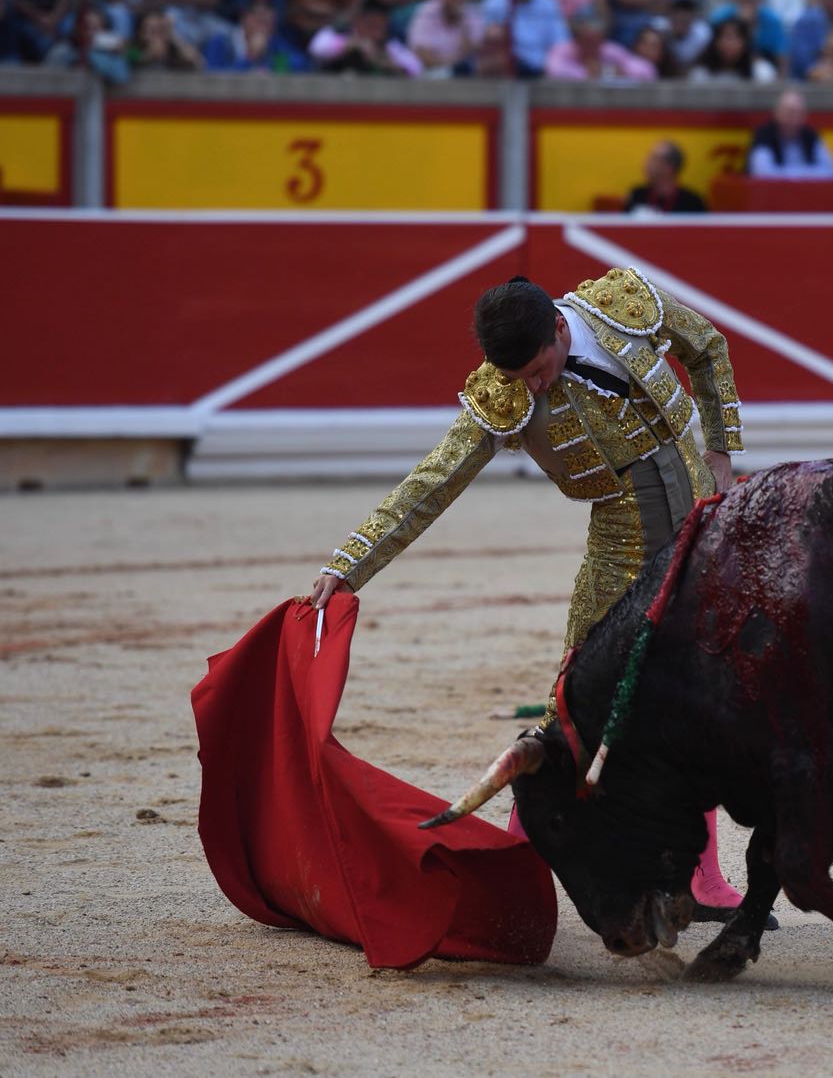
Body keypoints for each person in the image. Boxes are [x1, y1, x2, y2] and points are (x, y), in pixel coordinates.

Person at [308, 269, 751, 917]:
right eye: (519, 379)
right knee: (574, 702)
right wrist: (350, 565)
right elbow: (434, 480)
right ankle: (519, 860)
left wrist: (721, 449)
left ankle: (698, 879)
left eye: (540, 370)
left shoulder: (622, 304)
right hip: (622, 539)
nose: (533, 388)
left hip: (705, 521)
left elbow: (708, 347)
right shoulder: (503, 392)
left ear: (560, 328)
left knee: (703, 690)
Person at [746, 88, 833, 178]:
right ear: (777, 113)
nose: (795, 118)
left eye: (799, 113)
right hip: (772, 193)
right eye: (790, 112)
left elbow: (832, 172)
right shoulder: (764, 134)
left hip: (807, 194)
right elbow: (762, 173)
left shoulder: (811, 135)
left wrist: (791, 175)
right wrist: (806, 175)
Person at [309, 0, 422, 74]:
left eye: (380, 27)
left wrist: (388, 63)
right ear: (357, 22)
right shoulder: (338, 32)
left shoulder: (389, 46)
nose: (376, 32)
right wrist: (352, 45)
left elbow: (416, 68)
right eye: (371, 26)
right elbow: (316, 48)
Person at [480, 0, 569, 76]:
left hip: (542, 68)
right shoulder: (494, 3)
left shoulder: (548, 4)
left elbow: (561, 42)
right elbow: (483, 40)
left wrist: (552, 64)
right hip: (506, 67)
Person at [544, 8, 657, 77]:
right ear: (577, 40)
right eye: (587, 41)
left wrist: (613, 71)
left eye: (595, 41)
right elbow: (553, 71)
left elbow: (647, 70)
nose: (591, 46)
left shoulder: (610, 50)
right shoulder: (562, 50)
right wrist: (586, 73)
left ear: (601, 40)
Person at [203, 0, 310, 71]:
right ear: (245, 19)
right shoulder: (221, 42)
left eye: (269, 23)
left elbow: (302, 63)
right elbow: (213, 78)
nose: (264, 28)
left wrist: (272, 64)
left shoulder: (274, 42)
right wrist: (250, 58)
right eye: (260, 21)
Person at [405, 0, 485, 75]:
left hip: (464, 74)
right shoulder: (427, 12)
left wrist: (462, 24)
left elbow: (472, 54)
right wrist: (450, 65)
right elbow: (421, 53)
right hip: (429, 72)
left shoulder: (472, 13)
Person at [706, 0, 785, 70]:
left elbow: (782, 57)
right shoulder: (719, 18)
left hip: (756, 73)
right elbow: (709, 54)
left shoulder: (773, 20)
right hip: (719, 70)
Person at [624, 140, 708, 211]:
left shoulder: (692, 202)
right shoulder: (637, 196)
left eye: (653, 158)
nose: (646, 163)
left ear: (669, 167)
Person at [687, 14, 778, 79]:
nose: (731, 44)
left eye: (736, 38)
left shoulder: (762, 72)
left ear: (745, 43)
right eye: (727, 37)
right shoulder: (701, 74)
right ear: (716, 42)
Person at [656, 0, 710, 68]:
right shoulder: (659, 27)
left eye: (684, 21)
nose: (680, 25)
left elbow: (696, 61)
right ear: (670, 16)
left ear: (693, 19)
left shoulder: (702, 34)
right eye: (677, 21)